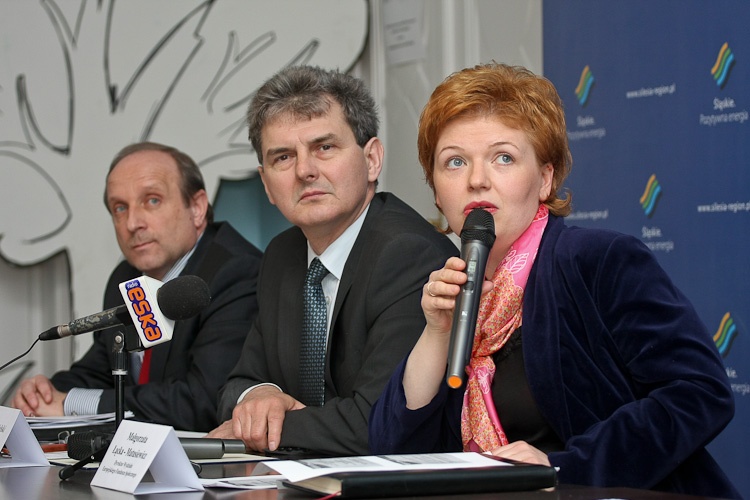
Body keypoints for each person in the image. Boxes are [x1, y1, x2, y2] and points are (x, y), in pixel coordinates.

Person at [368, 63, 739, 498]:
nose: (476, 180)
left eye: (503, 158)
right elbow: (393, 449)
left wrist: (562, 467)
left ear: (545, 179)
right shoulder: (452, 289)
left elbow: (699, 393)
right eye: (455, 162)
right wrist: (436, 333)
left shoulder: (597, 261)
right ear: (435, 190)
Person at [208, 65, 458, 456]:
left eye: (324, 148)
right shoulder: (282, 255)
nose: (305, 171)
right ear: (266, 184)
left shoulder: (409, 253)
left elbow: (379, 422)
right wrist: (261, 395)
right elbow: (236, 384)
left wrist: (264, 428)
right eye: (283, 157)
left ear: (372, 159)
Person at [12, 142, 263, 432]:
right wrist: (43, 395)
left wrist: (70, 403)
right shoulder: (126, 276)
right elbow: (103, 369)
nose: (132, 223)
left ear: (196, 208)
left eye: (152, 201)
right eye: (120, 208)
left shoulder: (236, 273)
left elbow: (203, 401)